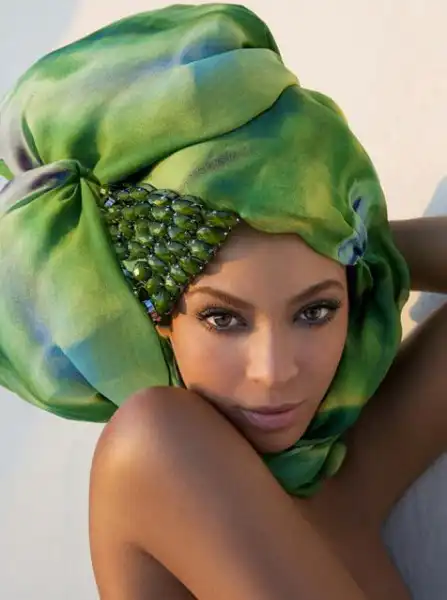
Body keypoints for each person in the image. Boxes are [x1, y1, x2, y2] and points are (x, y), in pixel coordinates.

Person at [0, 4, 445, 599]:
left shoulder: (345, 474)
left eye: (315, 311)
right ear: (157, 317)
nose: (275, 372)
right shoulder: (154, 442)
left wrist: (367, 254)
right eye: (223, 318)